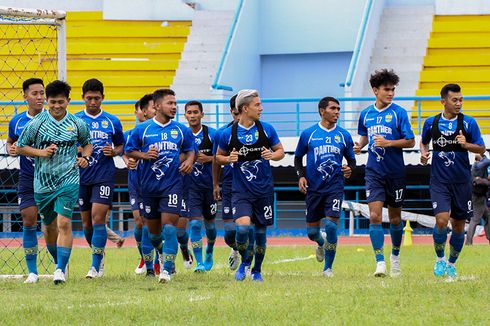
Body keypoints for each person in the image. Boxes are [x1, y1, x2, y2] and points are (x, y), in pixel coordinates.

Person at [17, 80, 93, 284]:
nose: (57, 106)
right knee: (49, 228)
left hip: (69, 179)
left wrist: (84, 158)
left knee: (64, 222)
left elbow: (87, 144)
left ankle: (60, 270)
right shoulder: (36, 123)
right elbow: (21, 147)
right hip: (42, 183)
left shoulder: (77, 123)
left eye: (61, 102)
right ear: (47, 102)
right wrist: (41, 152)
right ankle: (55, 262)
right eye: (52, 102)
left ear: (68, 101)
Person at [125, 89, 195, 283]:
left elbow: (190, 150)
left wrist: (189, 161)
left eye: (175, 103)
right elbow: (129, 150)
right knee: (154, 234)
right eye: (169, 103)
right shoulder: (142, 129)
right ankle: (164, 254)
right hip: (148, 188)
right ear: (156, 106)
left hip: (172, 185)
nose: (174, 107)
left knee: (170, 228)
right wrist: (143, 155)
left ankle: (167, 270)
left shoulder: (181, 130)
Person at [216, 89, 284, 282]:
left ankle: (257, 270)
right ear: (245, 108)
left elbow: (280, 151)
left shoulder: (267, 129)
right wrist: (228, 158)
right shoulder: (229, 134)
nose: (261, 108)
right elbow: (218, 157)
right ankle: (245, 261)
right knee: (243, 229)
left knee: (261, 234)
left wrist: (273, 155)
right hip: (241, 191)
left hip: (263, 191)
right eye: (257, 105)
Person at [354, 69, 415, 277]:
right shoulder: (366, 114)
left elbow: (411, 141)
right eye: (386, 89)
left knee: (396, 219)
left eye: (393, 89)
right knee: (374, 215)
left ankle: (395, 257)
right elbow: (364, 136)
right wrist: (359, 145)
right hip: (374, 171)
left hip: (396, 173)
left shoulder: (399, 113)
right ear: (375, 90)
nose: (391, 93)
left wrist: (389, 143)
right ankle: (379, 261)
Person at [420, 83, 485, 278]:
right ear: (443, 101)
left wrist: (467, 145)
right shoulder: (430, 123)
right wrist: (424, 154)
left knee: (458, 226)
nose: (459, 103)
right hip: (439, 181)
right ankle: (439, 259)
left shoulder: (469, 123)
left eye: (461, 100)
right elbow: (423, 142)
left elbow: (481, 149)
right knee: (441, 220)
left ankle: (451, 263)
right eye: (454, 100)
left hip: (462, 182)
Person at [294, 96, 356, 277]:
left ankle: (328, 268)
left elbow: (352, 160)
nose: (337, 112)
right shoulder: (309, 134)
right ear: (322, 111)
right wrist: (301, 176)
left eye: (339, 109)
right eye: (333, 108)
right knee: (312, 233)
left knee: (330, 226)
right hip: (314, 188)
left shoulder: (344, 135)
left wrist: (349, 169)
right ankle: (320, 243)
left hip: (334, 187)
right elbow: (298, 158)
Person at [74, 78, 125, 278]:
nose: (93, 102)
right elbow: (66, 145)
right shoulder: (75, 120)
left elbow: (121, 145)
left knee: (97, 219)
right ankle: (99, 255)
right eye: (89, 98)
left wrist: (114, 151)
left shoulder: (112, 121)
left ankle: (95, 267)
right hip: (81, 176)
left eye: (96, 98)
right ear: (82, 98)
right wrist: (75, 150)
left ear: (103, 97)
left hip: (104, 175)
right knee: (86, 224)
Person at [7, 78, 53, 283]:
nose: (40, 97)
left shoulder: (54, 118)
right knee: (28, 219)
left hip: (52, 177)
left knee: (53, 225)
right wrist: (11, 148)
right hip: (27, 177)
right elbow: (10, 142)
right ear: (25, 96)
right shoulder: (16, 121)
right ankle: (33, 272)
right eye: (35, 94)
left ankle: (60, 266)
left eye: (42, 93)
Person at [123, 95, 161, 276]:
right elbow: (123, 150)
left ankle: (157, 258)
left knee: (153, 223)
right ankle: (145, 257)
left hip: (155, 183)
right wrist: (128, 160)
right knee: (139, 221)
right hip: (135, 183)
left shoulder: (161, 131)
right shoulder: (131, 133)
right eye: (152, 107)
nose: (155, 110)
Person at [183, 100, 218, 272]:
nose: (192, 115)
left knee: (210, 226)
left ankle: (209, 250)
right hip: (190, 189)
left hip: (209, 187)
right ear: (185, 116)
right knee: (195, 225)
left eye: (195, 112)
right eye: (189, 112)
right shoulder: (182, 135)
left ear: (202, 115)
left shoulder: (212, 135)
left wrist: (210, 159)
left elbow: (223, 158)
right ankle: (200, 263)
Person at [212, 94, 242, 270]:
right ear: (233, 112)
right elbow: (216, 160)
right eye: (237, 112)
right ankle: (235, 249)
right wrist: (216, 184)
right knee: (230, 232)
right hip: (230, 185)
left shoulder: (261, 131)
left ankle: (248, 266)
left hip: (252, 186)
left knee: (249, 228)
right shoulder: (222, 134)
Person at [466, 153, 490, 245]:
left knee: (488, 216)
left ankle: (489, 237)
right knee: (475, 220)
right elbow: (486, 161)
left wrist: (484, 180)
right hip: (478, 196)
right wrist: (486, 181)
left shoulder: (476, 166)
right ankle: (468, 243)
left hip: (480, 196)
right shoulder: (478, 166)